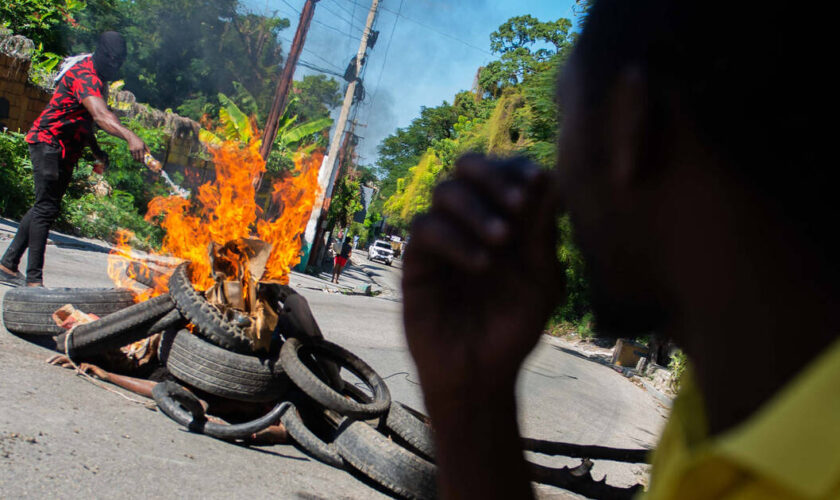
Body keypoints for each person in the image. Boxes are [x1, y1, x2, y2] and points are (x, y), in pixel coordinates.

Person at [403, 1, 835, 499]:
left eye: (568, 118)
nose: (554, 180)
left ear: (631, 126)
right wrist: (475, 405)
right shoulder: (719, 404)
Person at [0, 32, 157, 288]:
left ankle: (7, 264)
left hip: (65, 149)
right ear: (103, 55)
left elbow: (84, 120)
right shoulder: (85, 76)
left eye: (121, 61)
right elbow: (100, 115)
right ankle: (34, 283)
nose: (117, 67)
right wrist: (131, 137)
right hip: (47, 142)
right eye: (114, 60)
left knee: (45, 206)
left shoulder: (100, 79)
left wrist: (96, 151)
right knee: (46, 208)